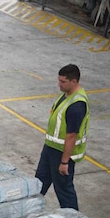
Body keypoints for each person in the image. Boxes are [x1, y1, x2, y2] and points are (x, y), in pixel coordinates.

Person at [35, 64, 90, 210]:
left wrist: (64, 162)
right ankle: (30, 209)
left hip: (62, 153)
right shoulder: (66, 95)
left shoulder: (77, 105)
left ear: (74, 81)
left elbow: (72, 135)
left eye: (63, 82)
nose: (59, 84)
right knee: (39, 183)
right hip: (51, 148)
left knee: (63, 189)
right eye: (59, 80)